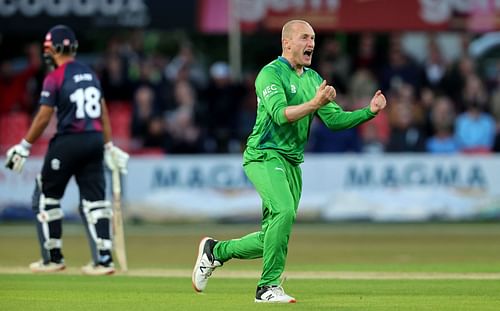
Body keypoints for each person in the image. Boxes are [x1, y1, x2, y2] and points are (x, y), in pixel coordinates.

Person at [192, 20, 387, 303]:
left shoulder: (311, 79)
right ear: (287, 43)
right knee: (283, 212)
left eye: (314, 38)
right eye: (305, 38)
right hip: (263, 154)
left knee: (274, 235)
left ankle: (215, 252)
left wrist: (368, 112)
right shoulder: (270, 74)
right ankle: (267, 287)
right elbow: (281, 114)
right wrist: (314, 104)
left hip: (292, 162)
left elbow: (334, 120)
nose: (312, 44)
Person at [4, 25, 129, 275]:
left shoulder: (55, 77)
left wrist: (24, 145)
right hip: (94, 140)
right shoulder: (90, 74)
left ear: (57, 49)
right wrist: (108, 145)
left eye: (49, 49)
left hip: (70, 140)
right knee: (95, 201)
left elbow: (43, 116)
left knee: (45, 196)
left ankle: (53, 258)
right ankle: (103, 260)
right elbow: (103, 112)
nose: (47, 54)